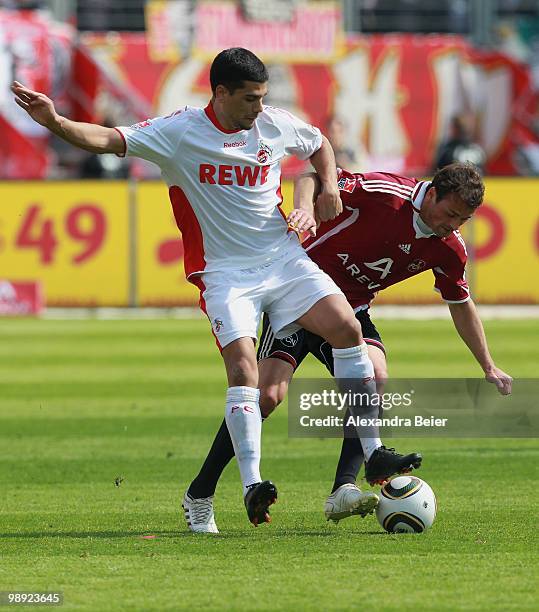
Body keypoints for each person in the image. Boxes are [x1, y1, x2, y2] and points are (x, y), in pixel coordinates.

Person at [12, 47, 410, 530]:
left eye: (263, 98)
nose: (258, 109)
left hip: (284, 260)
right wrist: (55, 121)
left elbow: (318, 142)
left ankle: (374, 454)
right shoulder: (179, 132)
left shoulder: (272, 124)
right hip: (224, 273)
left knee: (348, 330)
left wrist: (327, 185)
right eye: (249, 100)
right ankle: (251, 486)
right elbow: (106, 139)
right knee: (246, 373)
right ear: (220, 94)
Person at [186, 162, 512, 532]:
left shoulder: (449, 249)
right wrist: (306, 211)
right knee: (268, 396)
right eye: (451, 214)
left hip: (349, 311)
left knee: (375, 374)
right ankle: (200, 493)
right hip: (297, 295)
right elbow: (311, 176)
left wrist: (487, 364)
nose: (453, 225)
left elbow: (460, 303)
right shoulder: (385, 195)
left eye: (463, 220)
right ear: (432, 193)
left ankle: (344, 486)